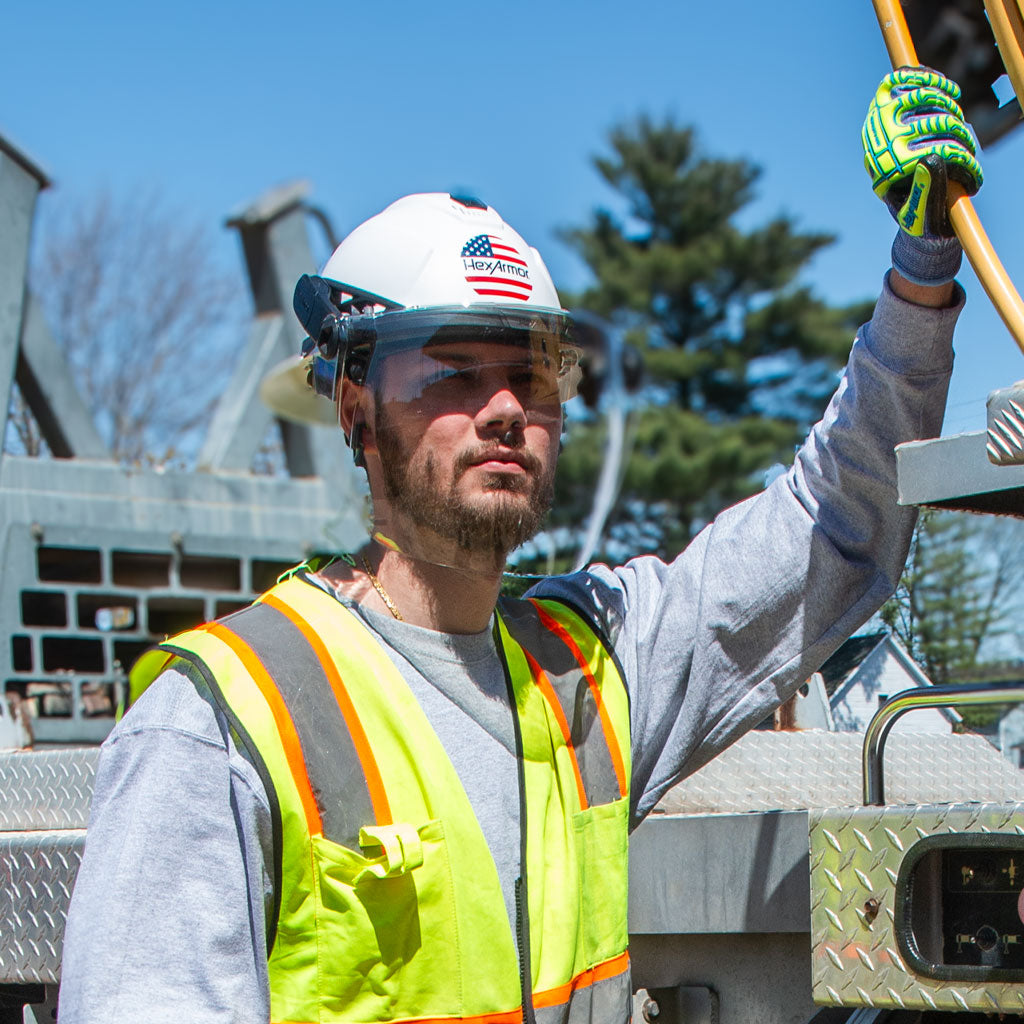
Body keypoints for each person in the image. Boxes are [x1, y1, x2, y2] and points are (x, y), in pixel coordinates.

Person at [59, 68, 983, 1024]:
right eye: (452, 373)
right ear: (355, 409)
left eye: (532, 375)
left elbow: (830, 528)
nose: (504, 409)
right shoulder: (221, 718)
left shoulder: (589, 671)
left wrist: (920, 270)